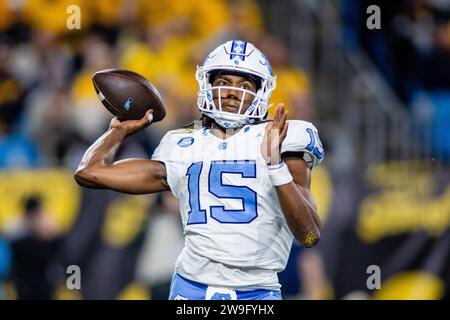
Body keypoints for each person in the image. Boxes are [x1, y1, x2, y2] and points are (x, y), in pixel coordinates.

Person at [75, 40, 324, 300]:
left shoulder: (283, 138)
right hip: (191, 290)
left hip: (257, 294)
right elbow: (89, 172)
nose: (231, 92)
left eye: (245, 86)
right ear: (207, 85)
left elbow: (309, 236)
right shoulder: (181, 145)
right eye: (223, 82)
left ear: (262, 92)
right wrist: (119, 130)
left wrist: (275, 165)